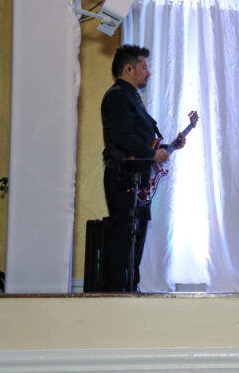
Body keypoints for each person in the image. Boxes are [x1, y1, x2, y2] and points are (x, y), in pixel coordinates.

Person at [100, 45, 184, 292]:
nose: (148, 72)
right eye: (144, 67)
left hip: (136, 178)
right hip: (123, 177)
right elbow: (123, 137)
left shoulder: (130, 97)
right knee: (122, 235)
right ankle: (115, 293)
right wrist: (153, 154)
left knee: (134, 237)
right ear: (129, 68)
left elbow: (139, 140)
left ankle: (129, 288)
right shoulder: (118, 97)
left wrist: (166, 147)